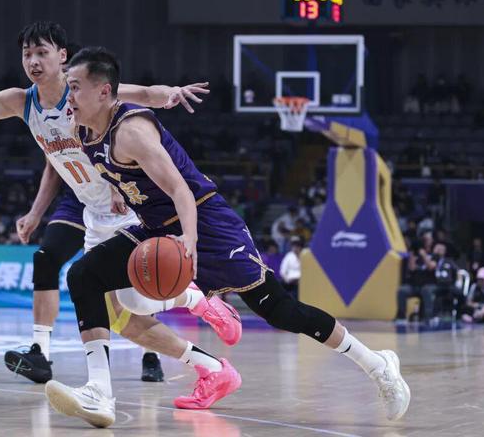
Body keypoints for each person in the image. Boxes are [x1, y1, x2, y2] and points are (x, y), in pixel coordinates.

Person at [44, 47, 410, 428]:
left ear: (104, 91)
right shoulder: (82, 127)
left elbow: (181, 191)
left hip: (206, 222)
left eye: (75, 87)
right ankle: (99, 392)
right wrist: (118, 188)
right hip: (156, 226)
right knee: (84, 275)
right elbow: (127, 128)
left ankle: (377, 365)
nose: (69, 95)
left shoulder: (132, 132)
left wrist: (189, 240)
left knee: (280, 310)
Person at [0, 22, 239, 385]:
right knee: (123, 318)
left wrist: (172, 93)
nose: (33, 61)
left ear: (62, 56)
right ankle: (207, 357)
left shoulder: (85, 91)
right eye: (27, 54)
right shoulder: (22, 102)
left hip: (130, 208)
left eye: (42, 52)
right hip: (94, 215)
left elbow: (144, 94)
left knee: (131, 297)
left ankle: (103, 383)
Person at [420, 242, 459, 321]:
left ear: (445, 251)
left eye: (441, 249)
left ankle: (458, 315)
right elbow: (429, 267)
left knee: (459, 292)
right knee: (426, 289)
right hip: (435, 284)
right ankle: (428, 315)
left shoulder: (449, 261)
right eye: (438, 248)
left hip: (447, 284)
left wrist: (458, 282)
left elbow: (458, 271)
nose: (439, 250)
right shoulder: (431, 259)